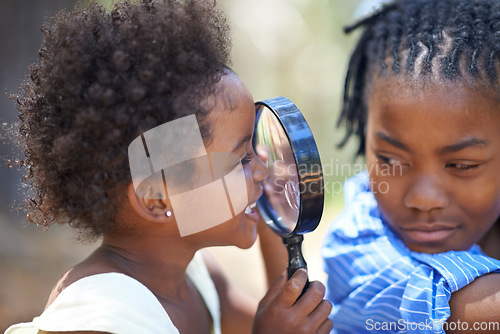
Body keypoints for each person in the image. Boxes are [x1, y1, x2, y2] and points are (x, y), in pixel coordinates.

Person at [4, 1, 333, 333]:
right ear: (157, 198)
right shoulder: (98, 318)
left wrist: (276, 217)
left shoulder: (197, 279)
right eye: (242, 159)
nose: (263, 169)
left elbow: (288, 322)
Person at [321, 0, 500, 333]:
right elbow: (461, 307)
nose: (423, 198)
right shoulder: (357, 243)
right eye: (390, 160)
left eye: (461, 165)